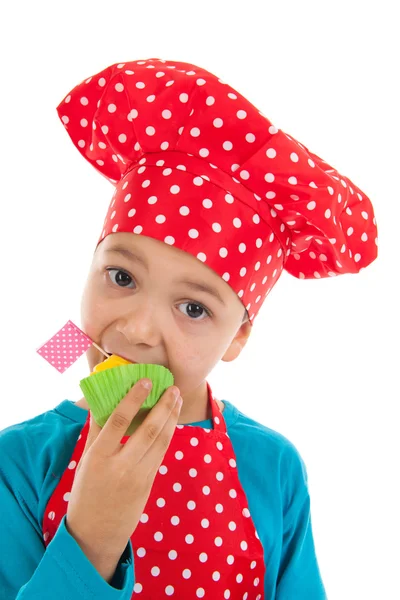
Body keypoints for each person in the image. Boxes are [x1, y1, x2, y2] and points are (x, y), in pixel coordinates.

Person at [0, 57, 378, 599]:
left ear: (238, 337)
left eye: (194, 308)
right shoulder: (18, 461)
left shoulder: (274, 469)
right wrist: (91, 542)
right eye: (121, 276)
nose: (135, 329)